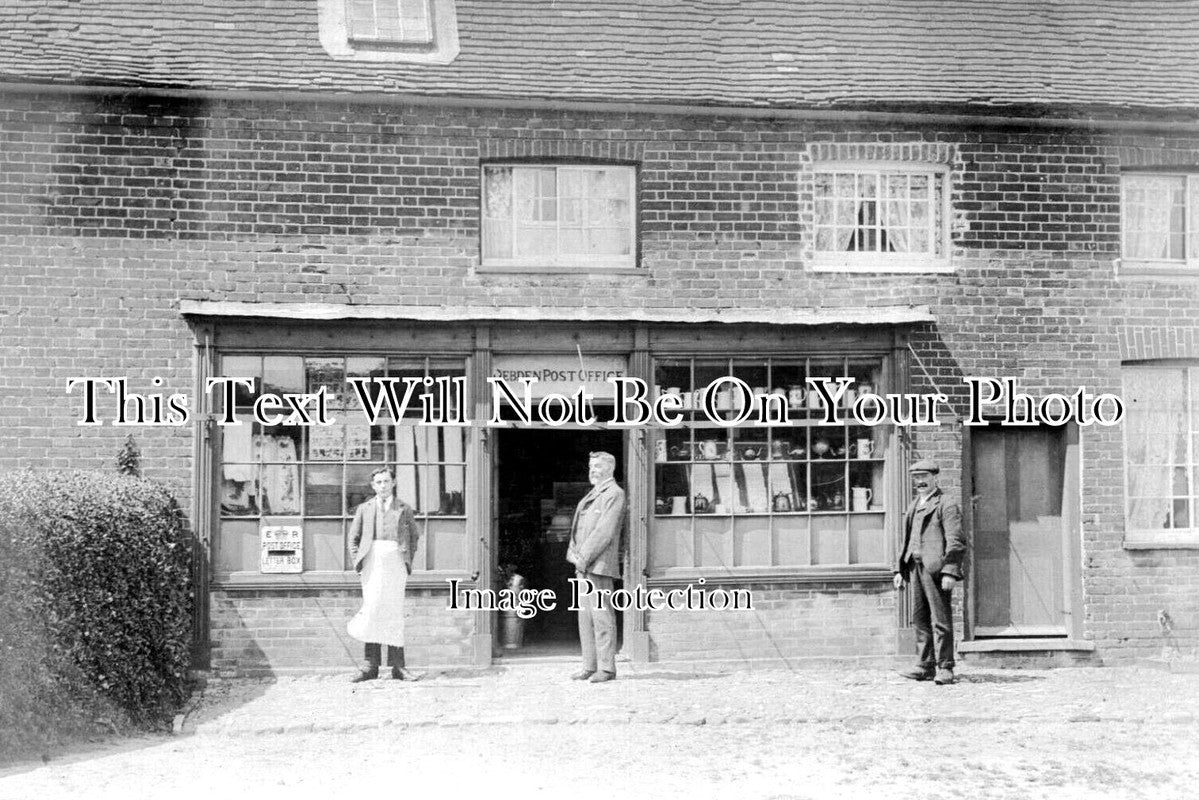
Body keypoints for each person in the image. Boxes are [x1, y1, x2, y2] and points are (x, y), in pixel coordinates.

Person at [893, 459, 966, 685]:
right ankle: (925, 665)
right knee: (920, 619)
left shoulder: (946, 504)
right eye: (916, 478)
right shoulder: (915, 504)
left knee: (941, 620)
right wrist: (900, 569)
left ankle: (946, 667)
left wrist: (950, 572)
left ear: (935, 477)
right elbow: (908, 539)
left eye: (924, 477)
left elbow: (956, 541)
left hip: (935, 570)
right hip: (914, 567)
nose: (920, 481)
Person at [347, 467, 421, 682]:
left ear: (393, 483)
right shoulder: (365, 508)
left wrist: (405, 560)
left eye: (386, 481)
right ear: (373, 485)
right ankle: (370, 666)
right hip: (372, 562)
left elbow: (414, 538)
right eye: (378, 482)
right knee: (373, 609)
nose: (383, 486)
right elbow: (354, 538)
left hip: (395, 562)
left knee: (394, 612)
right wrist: (359, 561)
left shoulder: (404, 508)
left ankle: (398, 666)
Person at [566, 451, 626, 684]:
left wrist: (583, 558)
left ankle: (607, 668)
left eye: (598, 466)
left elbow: (604, 532)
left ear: (610, 468)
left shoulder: (614, 494)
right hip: (583, 565)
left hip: (598, 566)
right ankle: (589, 665)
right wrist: (573, 553)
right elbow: (578, 527)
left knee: (602, 617)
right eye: (591, 466)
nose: (593, 470)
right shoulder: (594, 493)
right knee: (586, 617)